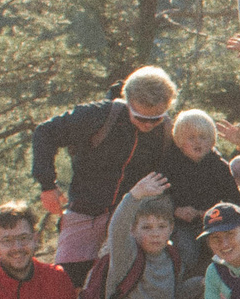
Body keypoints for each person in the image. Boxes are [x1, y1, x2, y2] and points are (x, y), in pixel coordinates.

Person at [31, 67, 179, 267]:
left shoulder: (167, 129)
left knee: (125, 283)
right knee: (68, 278)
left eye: (156, 118)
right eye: (141, 118)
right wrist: (48, 185)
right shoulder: (99, 115)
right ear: (128, 103)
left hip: (132, 218)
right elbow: (45, 132)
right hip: (85, 212)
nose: (149, 125)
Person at [165, 110, 240, 274]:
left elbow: (235, 200)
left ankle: (225, 279)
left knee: (222, 250)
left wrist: (207, 214)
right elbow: (159, 196)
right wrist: (174, 210)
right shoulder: (170, 165)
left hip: (212, 223)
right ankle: (184, 285)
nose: (197, 142)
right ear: (179, 141)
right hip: (180, 223)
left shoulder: (219, 166)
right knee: (186, 250)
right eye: (191, 138)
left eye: (203, 137)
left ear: (212, 141)